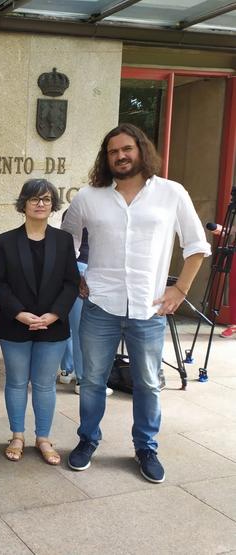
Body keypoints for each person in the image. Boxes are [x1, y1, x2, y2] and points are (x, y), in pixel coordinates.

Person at [62, 123, 211, 483]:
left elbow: (196, 246)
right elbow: (64, 238)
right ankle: (87, 440)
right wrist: (76, 276)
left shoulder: (171, 193)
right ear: (106, 157)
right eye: (113, 151)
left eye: (127, 148)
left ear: (141, 151)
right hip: (100, 304)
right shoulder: (89, 197)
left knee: (147, 382)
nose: (121, 156)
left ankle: (146, 447)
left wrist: (180, 290)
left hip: (149, 307)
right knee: (93, 380)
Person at [0, 179, 79, 465]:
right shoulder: (5, 241)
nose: (40, 204)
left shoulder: (63, 241)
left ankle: (43, 437)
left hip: (52, 325)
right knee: (16, 383)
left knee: (44, 385)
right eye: (34, 199)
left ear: (53, 205)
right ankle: (17, 435)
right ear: (23, 204)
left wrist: (54, 314)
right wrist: (19, 313)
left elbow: (70, 283)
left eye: (46, 199)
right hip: (16, 324)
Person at [57, 226, 113, 397]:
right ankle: (83, 379)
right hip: (88, 268)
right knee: (83, 329)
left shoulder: (75, 208)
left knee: (72, 325)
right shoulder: (94, 206)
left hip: (74, 267)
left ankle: (67, 370)